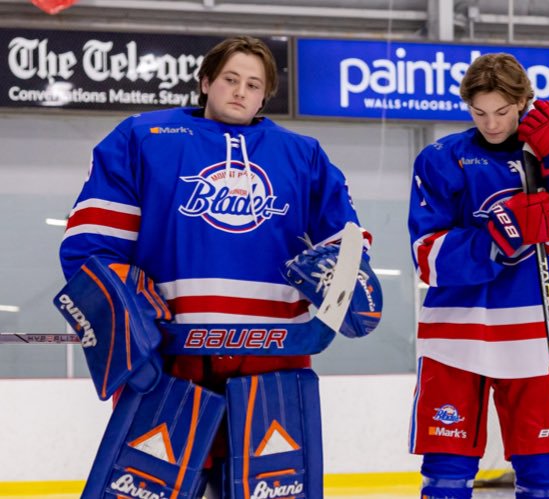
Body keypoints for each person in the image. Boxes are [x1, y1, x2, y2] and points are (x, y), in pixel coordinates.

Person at [58, 35, 382, 498]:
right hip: (170, 353)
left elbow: (346, 242)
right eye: (230, 79)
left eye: (253, 85)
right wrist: (120, 300)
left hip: (273, 355)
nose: (240, 91)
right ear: (206, 81)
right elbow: (91, 242)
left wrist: (344, 278)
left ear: (264, 96)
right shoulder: (141, 138)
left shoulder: (303, 154)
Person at [406, 53, 549, 499]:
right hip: (454, 336)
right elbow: (427, 259)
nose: (491, 124)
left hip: (533, 334)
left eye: (501, 111)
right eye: (479, 112)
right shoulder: (441, 158)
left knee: (546, 476)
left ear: (522, 103)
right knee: (445, 476)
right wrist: (501, 234)